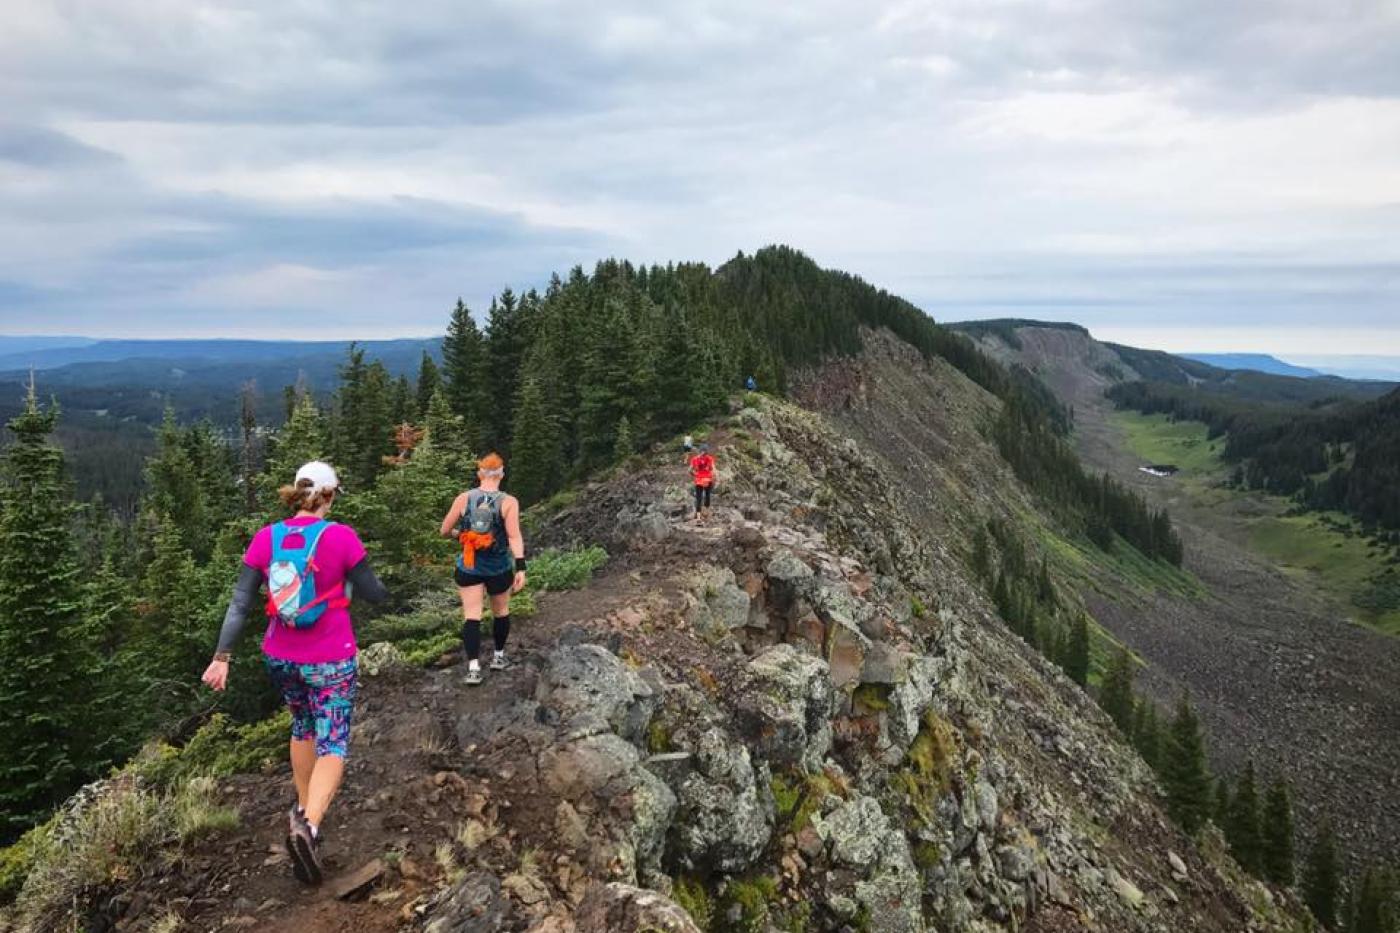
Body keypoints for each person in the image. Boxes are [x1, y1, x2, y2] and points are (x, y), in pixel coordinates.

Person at [202, 461, 388, 886]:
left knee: (302, 726)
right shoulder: (340, 536)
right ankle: (310, 826)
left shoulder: (267, 538)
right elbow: (375, 594)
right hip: (330, 656)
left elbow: (240, 603)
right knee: (333, 739)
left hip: (280, 655)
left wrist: (222, 656)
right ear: (328, 495)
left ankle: (303, 813)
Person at [439, 453, 526, 686]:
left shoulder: (464, 498)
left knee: (472, 616)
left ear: (479, 474)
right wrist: (521, 567)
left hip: (469, 567)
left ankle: (474, 669)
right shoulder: (508, 502)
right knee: (501, 612)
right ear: (502, 474)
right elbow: (514, 536)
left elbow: (444, 530)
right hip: (498, 567)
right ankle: (498, 657)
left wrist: (462, 536)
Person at [689, 442, 716, 519]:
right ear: (707, 450)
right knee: (707, 496)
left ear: (699, 450)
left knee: (698, 498)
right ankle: (707, 513)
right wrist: (714, 478)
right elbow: (713, 470)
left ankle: (698, 518)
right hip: (707, 480)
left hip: (698, 480)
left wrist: (695, 475)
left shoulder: (694, 459)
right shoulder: (709, 458)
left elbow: (689, 470)